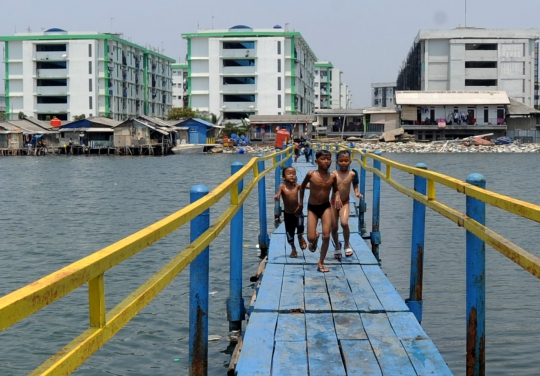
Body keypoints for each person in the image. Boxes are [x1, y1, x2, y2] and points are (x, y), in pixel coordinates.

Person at [299, 150, 342, 273]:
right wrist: (301, 203)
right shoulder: (311, 174)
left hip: (325, 207)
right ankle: (315, 237)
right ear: (316, 161)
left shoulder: (332, 177)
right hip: (312, 208)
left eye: (328, 159)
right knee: (310, 238)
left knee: (327, 235)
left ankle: (321, 262)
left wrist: (337, 196)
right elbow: (302, 187)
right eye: (323, 159)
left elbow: (336, 190)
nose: (326, 161)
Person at [331, 150, 363, 259]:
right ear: (337, 161)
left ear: (350, 161)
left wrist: (357, 192)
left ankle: (346, 244)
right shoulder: (334, 174)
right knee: (334, 227)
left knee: (344, 223)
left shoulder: (352, 174)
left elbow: (355, 183)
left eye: (346, 161)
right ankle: (337, 246)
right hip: (333, 203)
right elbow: (332, 186)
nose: (343, 163)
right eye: (341, 161)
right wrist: (337, 195)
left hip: (345, 202)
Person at [274, 167, 307, 258]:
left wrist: (319, 185)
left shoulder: (297, 186)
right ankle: (293, 249)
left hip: (298, 212)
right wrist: (277, 196)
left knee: (300, 226)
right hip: (288, 214)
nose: (292, 175)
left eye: (293, 173)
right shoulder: (282, 187)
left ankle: (300, 237)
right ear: (284, 177)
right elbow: (279, 194)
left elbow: (307, 186)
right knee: (290, 233)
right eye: (289, 173)